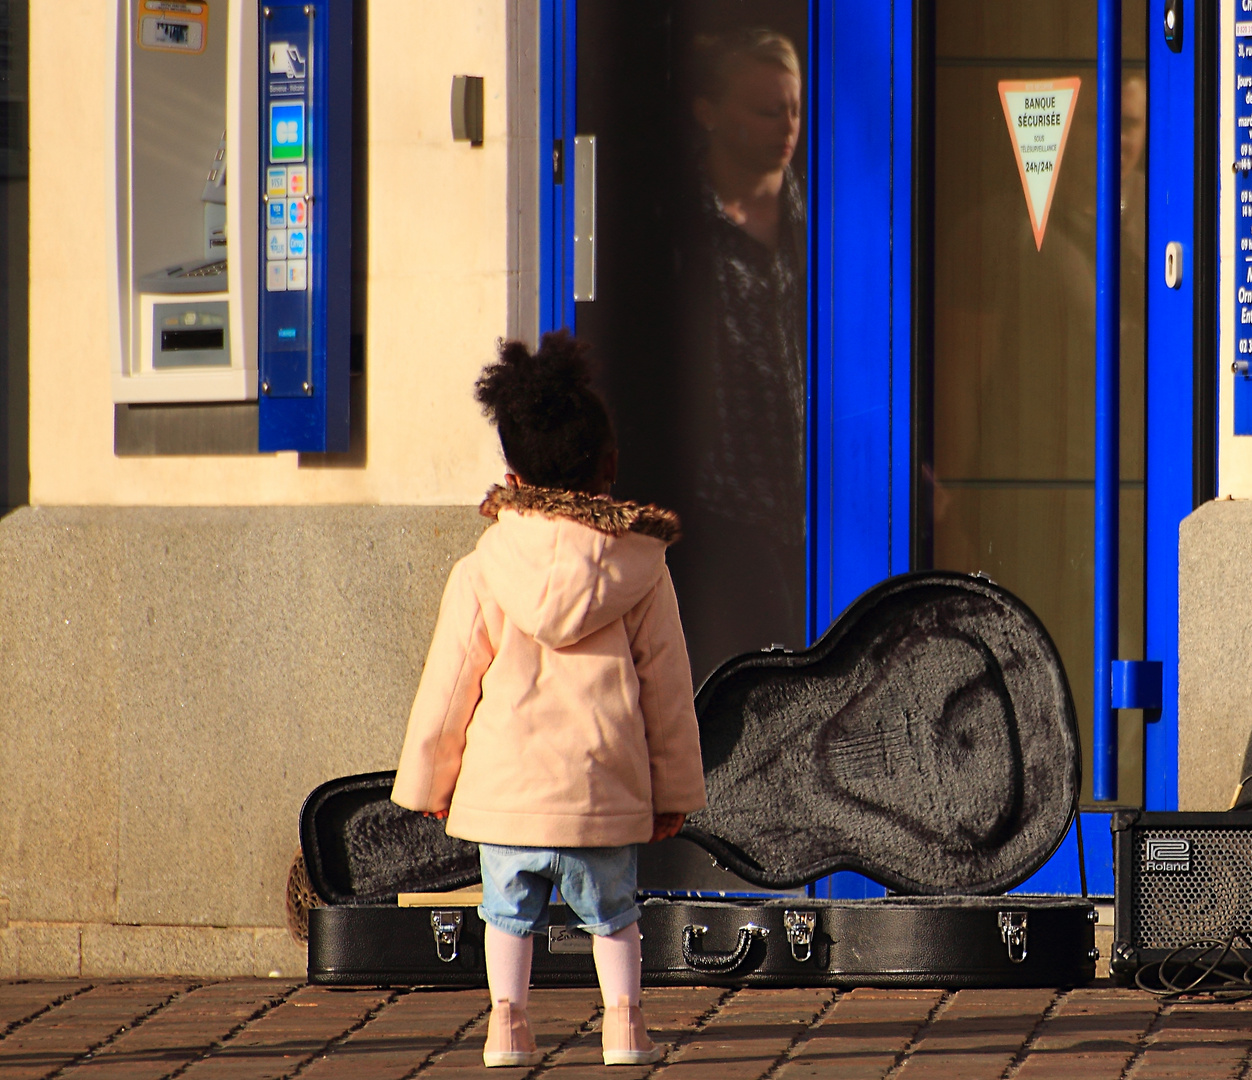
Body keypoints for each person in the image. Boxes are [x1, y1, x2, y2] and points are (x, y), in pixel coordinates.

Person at [392, 332, 707, 1066]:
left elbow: (447, 693)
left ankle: (508, 1024)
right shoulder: (642, 572)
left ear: (511, 473)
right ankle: (624, 1026)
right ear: (609, 466)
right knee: (615, 917)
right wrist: (673, 792)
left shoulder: (481, 569)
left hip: (505, 794)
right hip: (602, 790)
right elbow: (666, 690)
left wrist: (434, 785)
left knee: (505, 915)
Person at [667, 26, 808, 672]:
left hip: (820, 493)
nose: (786, 126)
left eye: (794, 109)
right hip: (722, 506)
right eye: (766, 109)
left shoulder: (827, 217)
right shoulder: (677, 226)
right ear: (710, 114)